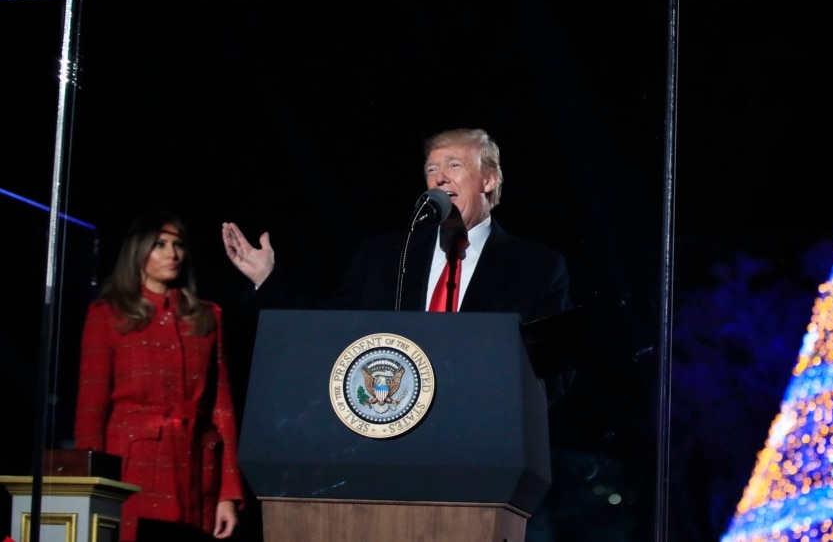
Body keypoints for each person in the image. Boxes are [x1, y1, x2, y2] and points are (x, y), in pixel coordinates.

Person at [222, 127, 575, 401]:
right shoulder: (386, 256)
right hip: (388, 433)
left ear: (489, 179)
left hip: (480, 443)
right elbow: (332, 329)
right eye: (431, 169)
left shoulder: (539, 267)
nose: (440, 177)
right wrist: (266, 279)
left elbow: (554, 377)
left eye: (455, 165)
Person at [75, 211, 244, 541]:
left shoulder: (207, 317)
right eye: (160, 244)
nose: (172, 253)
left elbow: (222, 410)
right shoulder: (108, 314)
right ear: (138, 252)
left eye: (178, 244)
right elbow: (90, 414)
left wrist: (227, 494)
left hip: (196, 469)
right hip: (131, 469)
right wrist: (90, 491)